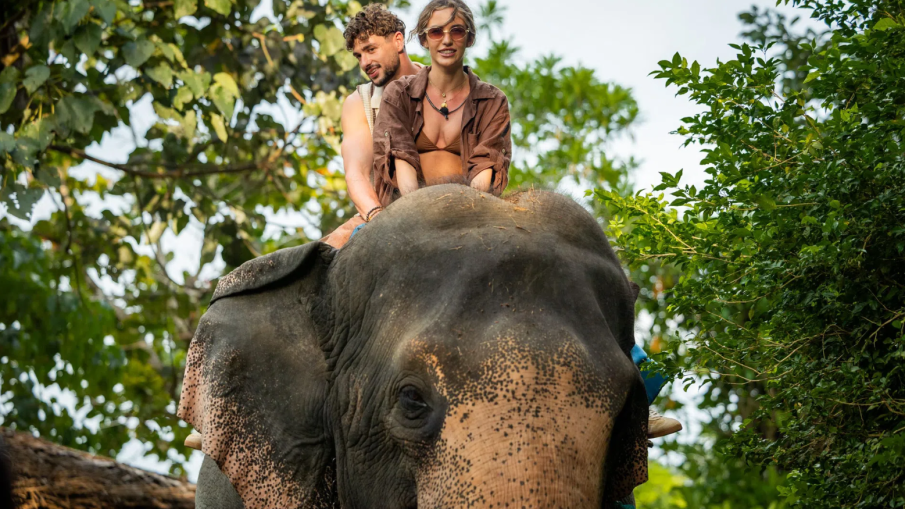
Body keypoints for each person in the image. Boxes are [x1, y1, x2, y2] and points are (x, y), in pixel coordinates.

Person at [371, 0, 511, 207]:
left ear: (469, 38)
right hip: (406, 209)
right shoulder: (399, 94)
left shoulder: (492, 101)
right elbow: (400, 157)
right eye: (436, 32)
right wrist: (416, 212)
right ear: (424, 39)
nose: (447, 40)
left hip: (469, 210)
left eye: (456, 31)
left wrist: (462, 215)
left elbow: (486, 167)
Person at [320, 4, 424, 249]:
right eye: (358, 55)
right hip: (384, 211)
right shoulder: (359, 102)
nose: (365, 62)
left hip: (444, 199)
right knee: (323, 254)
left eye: (370, 49)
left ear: (398, 41)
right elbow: (356, 174)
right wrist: (381, 222)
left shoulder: (437, 83)